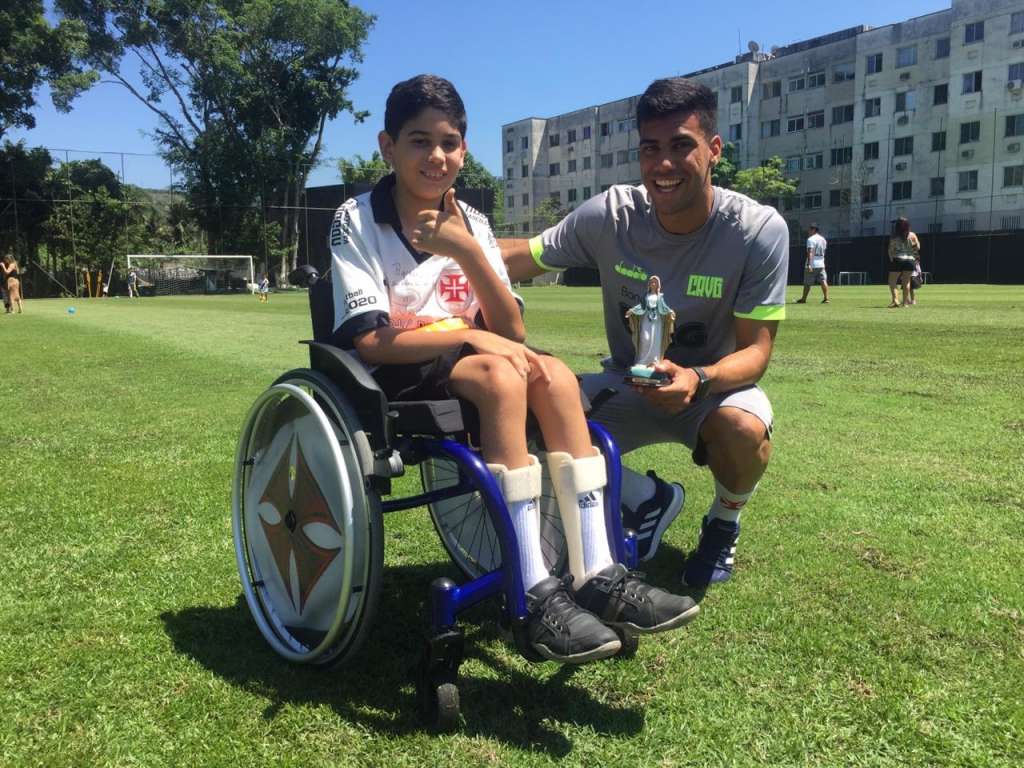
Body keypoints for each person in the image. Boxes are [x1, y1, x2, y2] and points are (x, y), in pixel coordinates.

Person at [329, 74, 698, 664]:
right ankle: (530, 593)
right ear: (387, 147)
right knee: (505, 375)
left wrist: (469, 252)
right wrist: (469, 331)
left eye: (449, 142)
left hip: (474, 355)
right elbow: (372, 340)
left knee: (550, 373)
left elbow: (513, 331)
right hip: (400, 368)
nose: (436, 156)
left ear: (464, 151)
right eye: (419, 141)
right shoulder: (357, 218)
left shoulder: (470, 221)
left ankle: (597, 572)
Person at [502, 77, 788, 587]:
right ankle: (646, 499)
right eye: (650, 148)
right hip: (626, 385)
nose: (663, 165)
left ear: (714, 149)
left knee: (744, 433)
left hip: (711, 390)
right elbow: (523, 256)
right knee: (524, 413)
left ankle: (723, 525)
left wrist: (698, 379)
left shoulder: (757, 229)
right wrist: (445, 246)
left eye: (682, 146)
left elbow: (756, 353)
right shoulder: (611, 215)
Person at [887, 217, 920, 308]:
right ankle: (905, 303)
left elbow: (890, 250)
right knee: (906, 282)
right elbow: (918, 247)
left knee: (892, 281)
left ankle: (895, 300)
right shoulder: (912, 235)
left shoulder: (894, 236)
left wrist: (891, 259)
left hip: (898, 259)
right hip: (910, 260)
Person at [795, 223, 829, 304]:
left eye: (810, 229)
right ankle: (826, 298)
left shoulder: (811, 239)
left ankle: (803, 299)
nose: (808, 231)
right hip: (821, 264)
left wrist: (809, 264)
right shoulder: (823, 239)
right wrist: (823, 263)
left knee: (807, 283)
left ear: (814, 230)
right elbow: (824, 252)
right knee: (823, 281)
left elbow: (810, 252)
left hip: (813, 263)